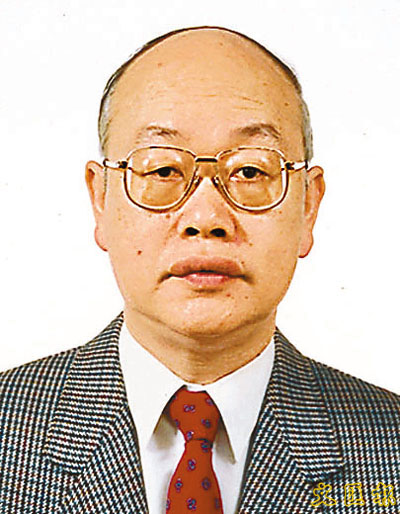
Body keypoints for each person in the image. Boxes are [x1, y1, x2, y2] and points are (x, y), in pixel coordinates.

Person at [0, 26, 398, 514]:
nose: (206, 218)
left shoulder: (389, 450)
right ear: (100, 199)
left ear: (308, 207)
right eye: (163, 170)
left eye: (250, 171)